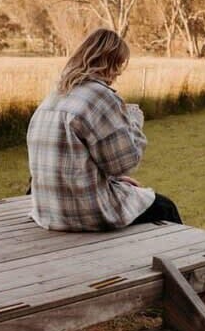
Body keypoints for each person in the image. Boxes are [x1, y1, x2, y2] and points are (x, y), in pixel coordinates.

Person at [26, 28, 182, 231]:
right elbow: (125, 163)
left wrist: (116, 181)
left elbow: (77, 159)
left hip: (48, 209)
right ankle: (188, 259)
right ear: (112, 63)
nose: (118, 74)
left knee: (134, 192)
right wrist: (134, 122)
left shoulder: (55, 95)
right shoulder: (101, 95)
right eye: (118, 66)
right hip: (83, 212)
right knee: (165, 207)